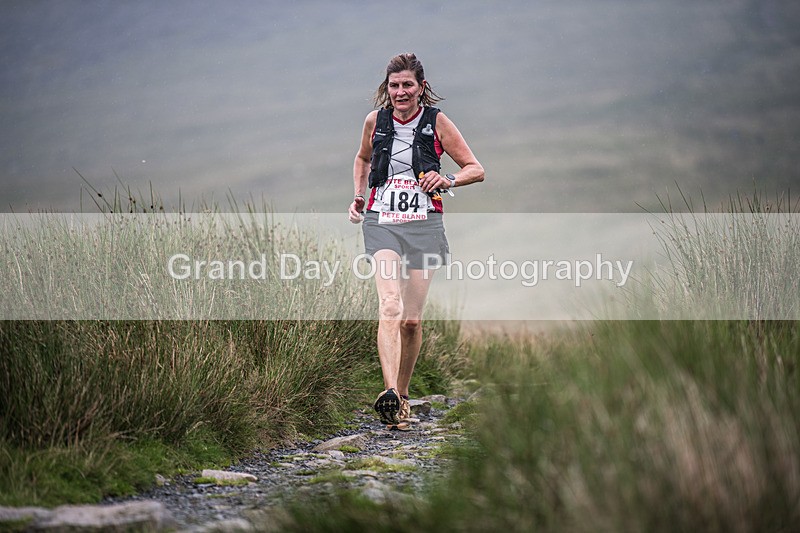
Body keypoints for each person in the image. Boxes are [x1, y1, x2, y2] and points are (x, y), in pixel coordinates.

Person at [348, 53, 484, 427]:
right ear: (387, 88)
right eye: (394, 85)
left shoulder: (437, 122)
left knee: (410, 320)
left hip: (425, 225)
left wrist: (448, 179)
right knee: (390, 304)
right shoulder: (375, 122)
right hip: (382, 222)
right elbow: (362, 159)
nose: (400, 92)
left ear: (421, 87)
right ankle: (389, 393)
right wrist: (359, 195)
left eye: (407, 85)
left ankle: (403, 395)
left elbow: (476, 169)